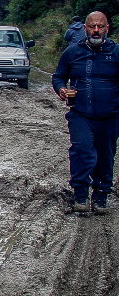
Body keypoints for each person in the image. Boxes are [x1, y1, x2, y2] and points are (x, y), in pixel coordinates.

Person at [52, 11, 119, 214]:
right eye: (92, 27)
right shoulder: (72, 52)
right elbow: (58, 77)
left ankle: (100, 197)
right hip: (80, 114)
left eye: (100, 27)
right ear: (85, 29)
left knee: (106, 156)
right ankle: (80, 194)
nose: (96, 31)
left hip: (111, 116)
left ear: (107, 28)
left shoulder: (116, 52)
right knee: (82, 150)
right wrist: (61, 89)